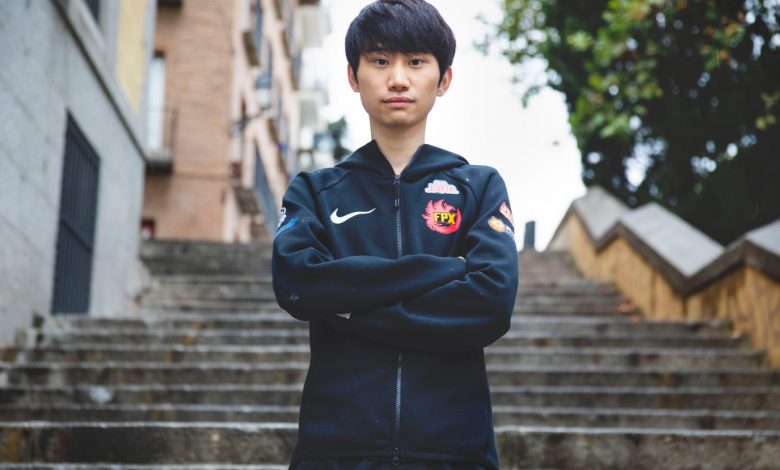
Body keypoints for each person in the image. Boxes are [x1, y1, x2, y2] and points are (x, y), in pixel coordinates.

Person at [272, 1, 519, 468]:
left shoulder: (479, 187)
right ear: (353, 76)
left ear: (444, 79)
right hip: (336, 452)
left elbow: (491, 304)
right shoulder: (315, 191)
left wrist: (346, 307)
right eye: (381, 61)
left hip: (454, 453)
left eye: (417, 62)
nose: (399, 79)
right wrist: (447, 271)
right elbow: (297, 284)